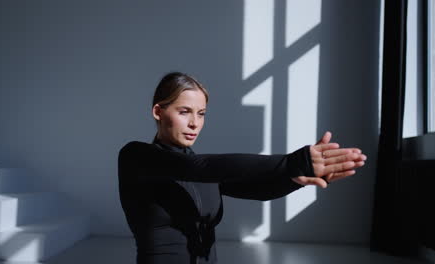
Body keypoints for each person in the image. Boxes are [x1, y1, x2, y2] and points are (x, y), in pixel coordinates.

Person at [118, 72, 367, 264]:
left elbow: (257, 190)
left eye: (202, 113)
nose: (195, 123)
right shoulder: (136, 156)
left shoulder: (201, 170)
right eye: (184, 112)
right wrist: (295, 161)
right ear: (158, 112)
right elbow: (197, 167)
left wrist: (296, 178)